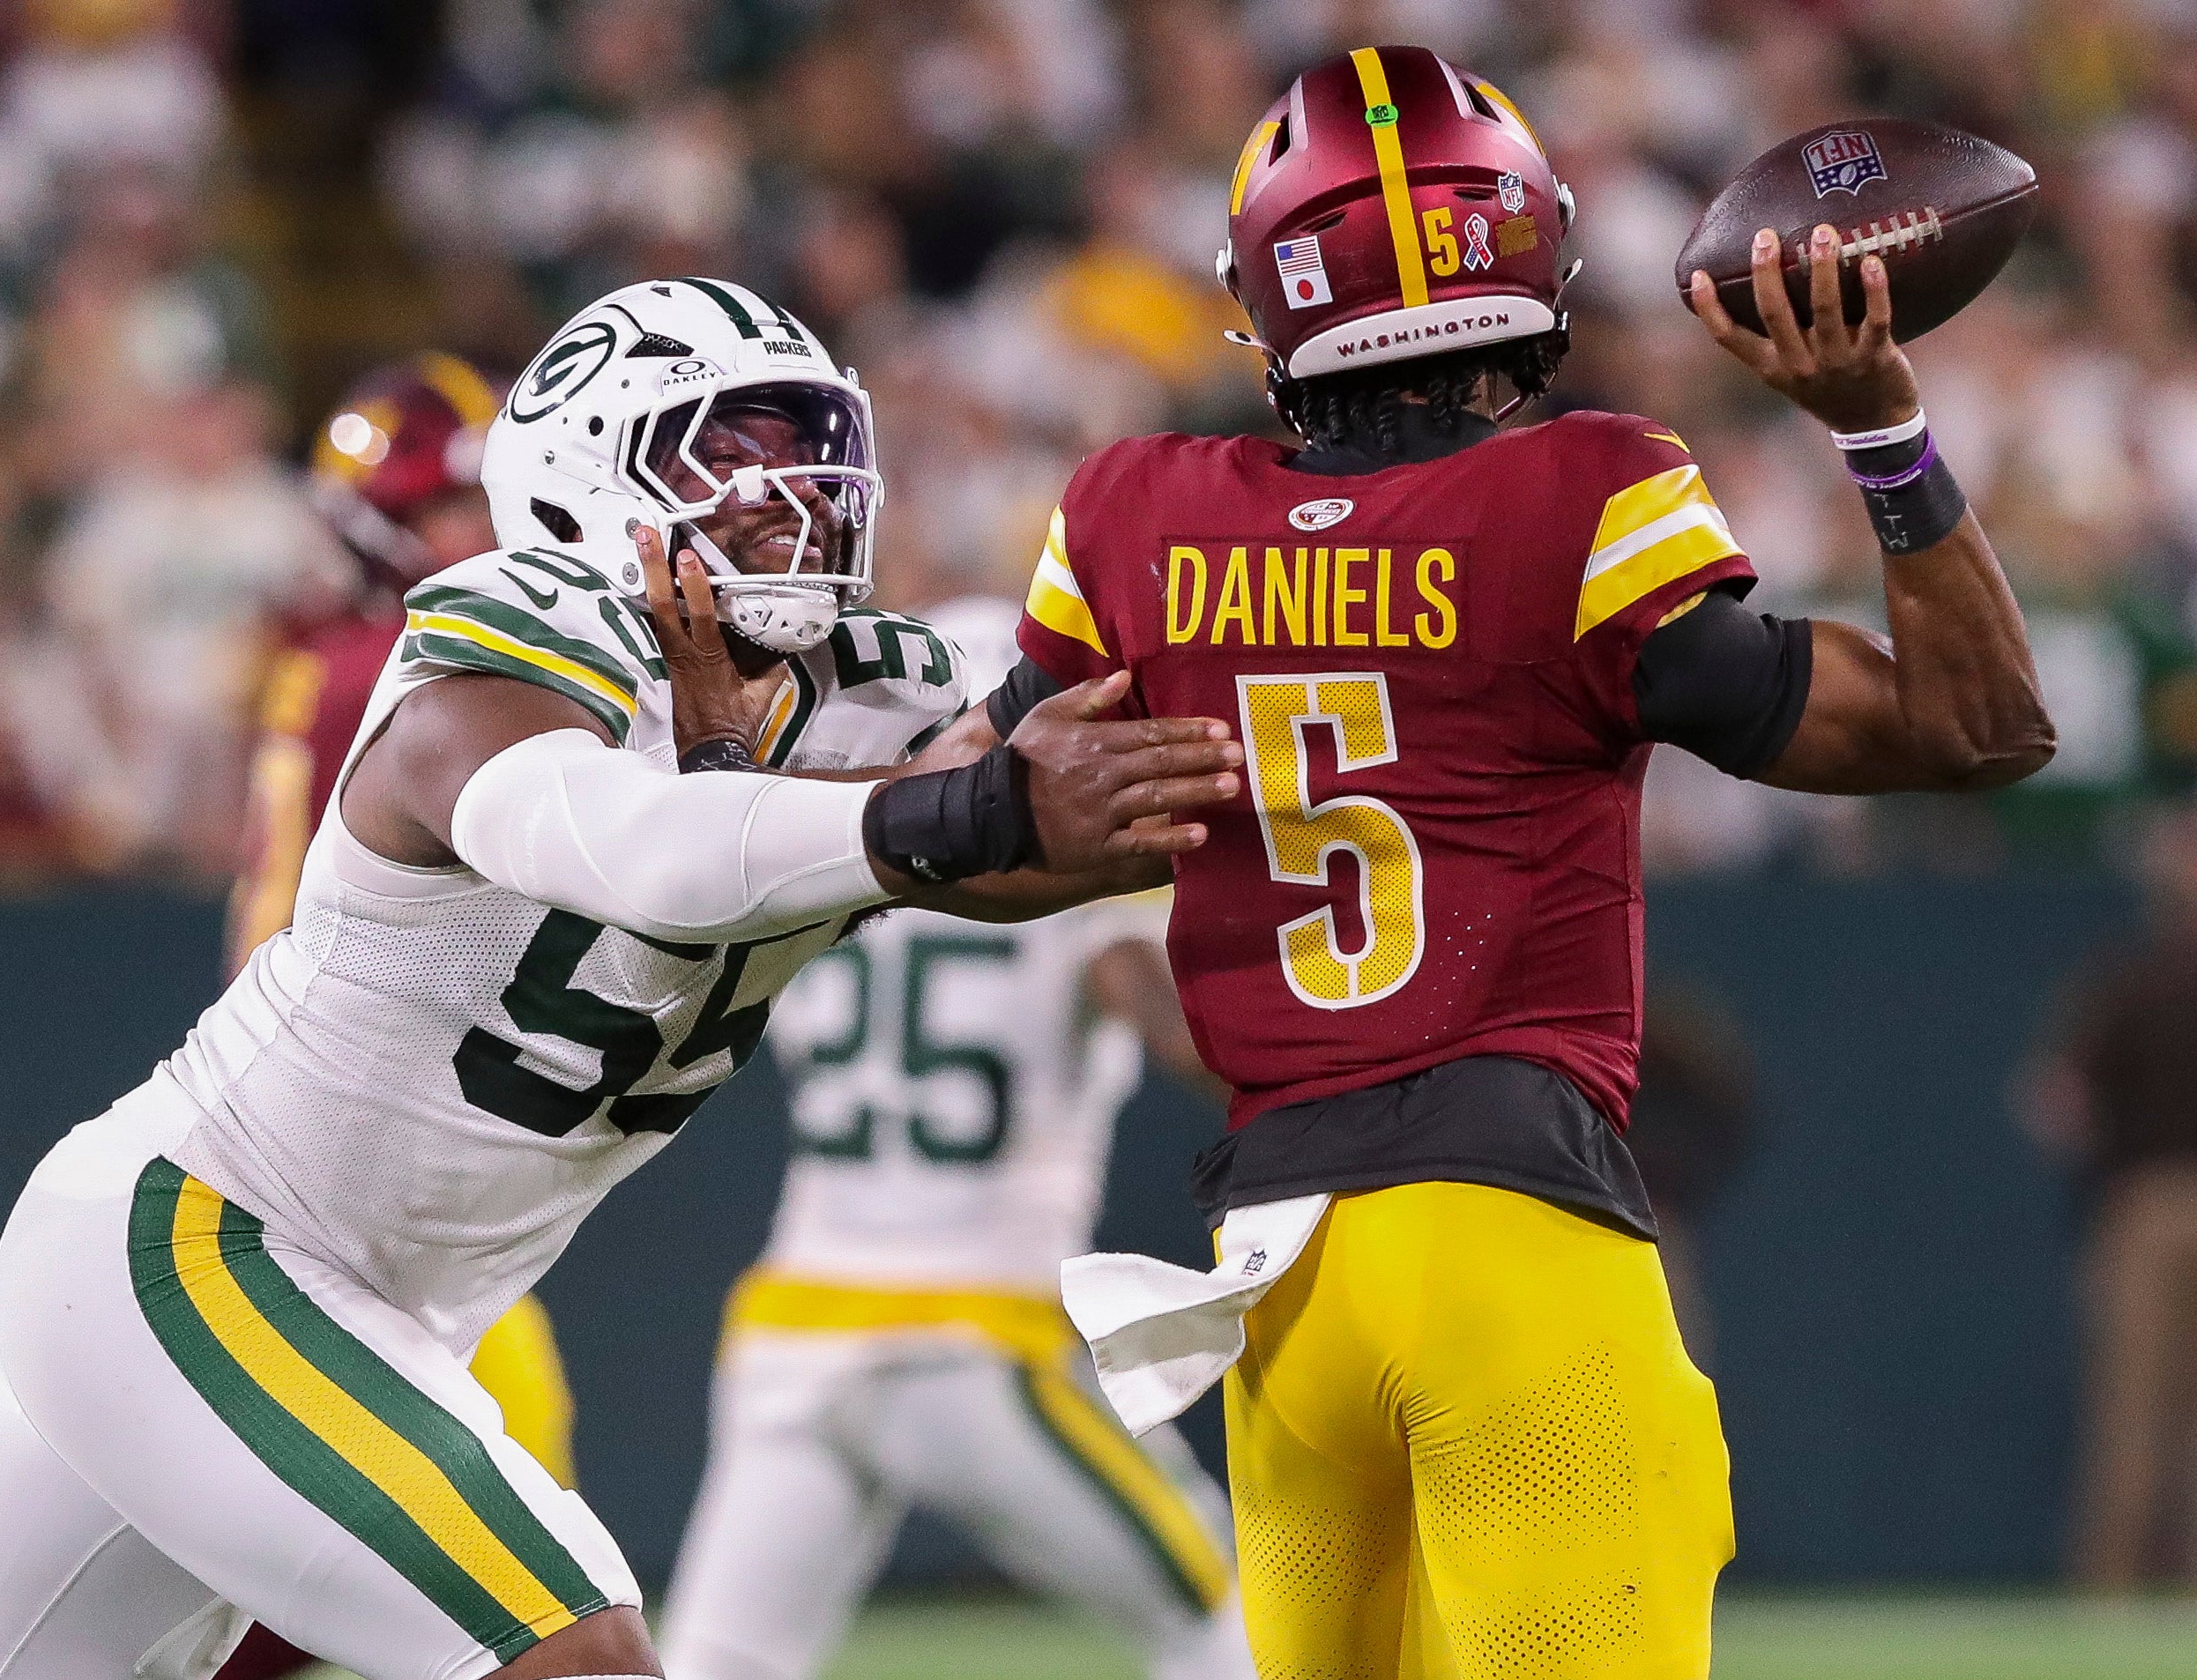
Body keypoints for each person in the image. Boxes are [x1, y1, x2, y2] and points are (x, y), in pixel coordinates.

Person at [870, 48, 2054, 1680]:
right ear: (1532, 249)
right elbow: (1977, 729)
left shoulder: (1135, 517)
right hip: (1510, 1246)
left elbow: (970, 849)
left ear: (1268, 288)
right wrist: (1884, 431)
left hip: (1281, 1285)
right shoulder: (1586, 494)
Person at [0, 278, 1242, 1680]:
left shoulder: (866, 681)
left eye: (805, 442)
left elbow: (998, 831)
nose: (785, 490)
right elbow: (644, 846)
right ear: (581, 479)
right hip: (204, 1249)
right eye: (725, 454)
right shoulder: (491, 648)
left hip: (373, 1292)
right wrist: (966, 808)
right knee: (574, 1650)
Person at [660, 598, 1254, 1680]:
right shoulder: (1070, 874)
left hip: (792, 1331)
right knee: (1235, 1626)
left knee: (717, 1662)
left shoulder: (823, 870)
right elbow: (1166, 1025)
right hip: (968, 1333)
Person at [214, 356, 576, 1680]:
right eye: (445, 512)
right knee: (523, 1567)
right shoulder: (409, 666)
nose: (475, 535)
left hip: (366, 1137)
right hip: (367, 1144)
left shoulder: (330, 663)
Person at [2025, 803, 2197, 1588]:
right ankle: (2112, 1602)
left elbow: (2055, 1104)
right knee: (2132, 1415)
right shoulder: (2126, 982)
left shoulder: (2125, 981)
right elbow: (2056, 1100)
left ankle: (2123, 1602)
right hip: (2144, 1204)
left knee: (2140, 1417)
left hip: (2144, 1206)